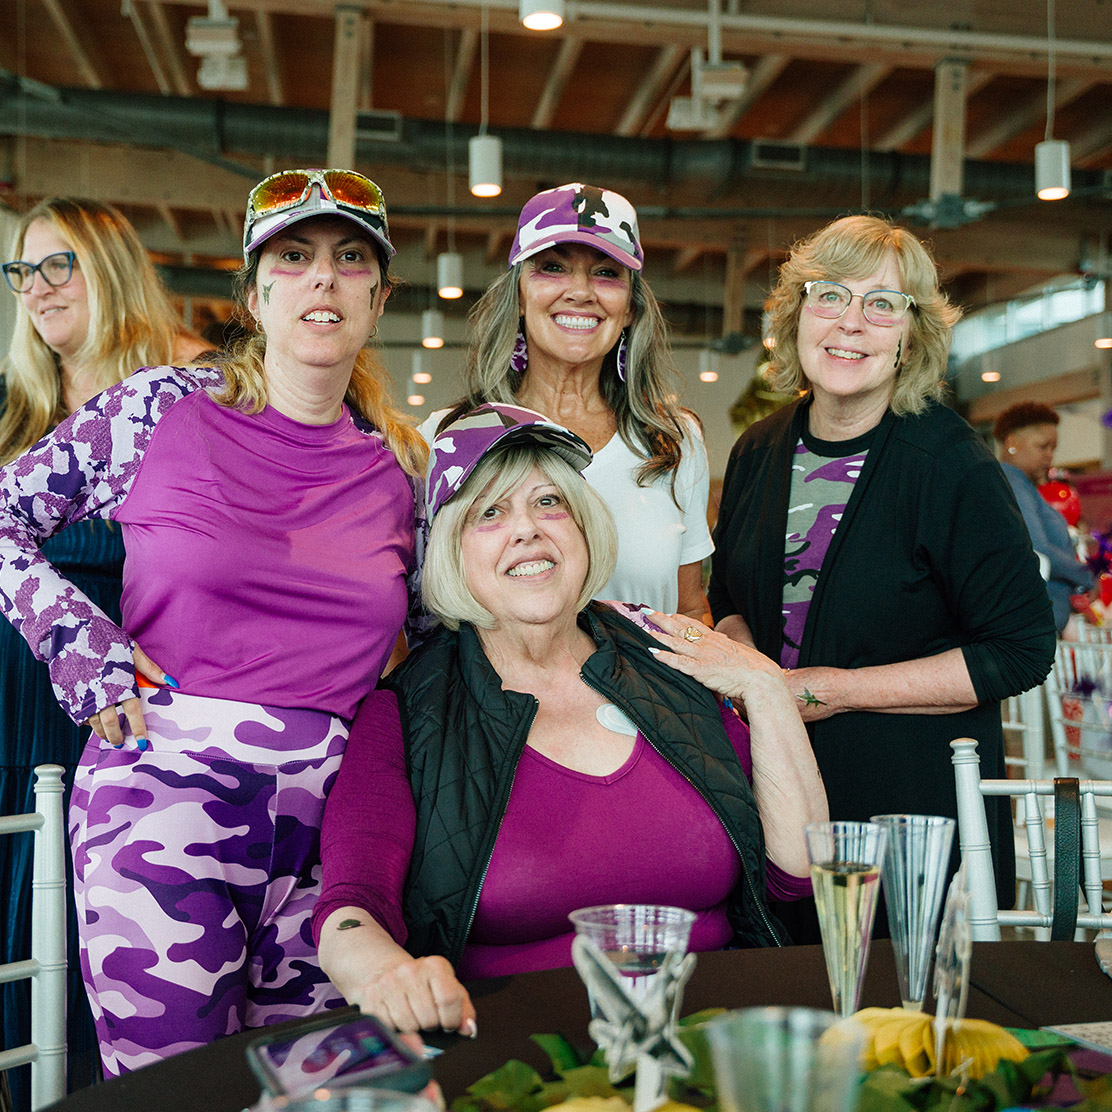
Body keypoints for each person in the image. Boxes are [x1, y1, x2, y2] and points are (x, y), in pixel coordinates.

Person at [0, 169, 426, 1075]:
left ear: (380, 296)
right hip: (158, 805)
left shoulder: (400, 467)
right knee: (176, 1096)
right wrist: (82, 647)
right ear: (255, 289)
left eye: (352, 261)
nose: (324, 279)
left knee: (328, 1092)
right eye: (296, 256)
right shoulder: (160, 409)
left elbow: (430, 653)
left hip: (329, 834)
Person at [313, 403, 827, 1035]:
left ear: (584, 529)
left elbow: (799, 875)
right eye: (489, 513)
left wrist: (765, 687)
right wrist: (380, 973)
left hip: (715, 1042)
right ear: (451, 550)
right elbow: (352, 904)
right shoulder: (408, 711)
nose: (527, 531)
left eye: (550, 502)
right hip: (524, 1061)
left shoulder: (665, 656)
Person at [707, 215, 1056, 938]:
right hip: (776, 802)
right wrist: (748, 672)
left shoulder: (950, 463)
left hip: (913, 816)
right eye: (830, 295)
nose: (851, 323)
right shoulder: (757, 451)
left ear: (910, 335)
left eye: (882, 304)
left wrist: (827, 691)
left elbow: (1020, 649)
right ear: (797, 313)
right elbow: (728, 603)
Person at [0, 197, 209, 1103]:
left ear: (112, 270)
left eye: (61, 264)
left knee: (107, 966)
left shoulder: (179, 402)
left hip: (127, 712)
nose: (38, 288)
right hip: (12, 702)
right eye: (22, 271)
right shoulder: (10, 414)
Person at [419, 183, 713, 618]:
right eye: (552, 267)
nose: (580, 291)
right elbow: (420, 609)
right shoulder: (447, 437)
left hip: (649, 686)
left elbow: (690, 608)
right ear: (519, 295)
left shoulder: (673, 440)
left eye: (607, 272)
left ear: (630, 307)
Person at [993, 402, 1092, 633]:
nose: (1050, 455)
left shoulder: (1018, 485)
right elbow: (1037, 549)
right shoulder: (1012, 483)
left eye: (1053, 448)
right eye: (1042, 446)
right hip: (1032, 623)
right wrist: (1087, 576)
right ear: (1012, 443)